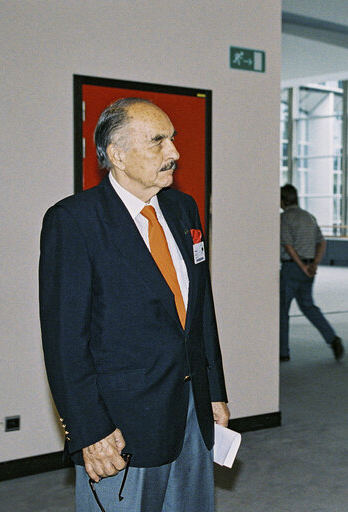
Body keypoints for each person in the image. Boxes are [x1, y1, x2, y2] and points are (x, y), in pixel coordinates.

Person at [39, 98, 228, 511]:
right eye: (158, 142)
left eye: (173, 139)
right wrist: (90, 430)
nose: (174, 152)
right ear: (118, 155)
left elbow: (200, 311)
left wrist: (213, 389)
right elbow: (65, 342)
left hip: (192, 415)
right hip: (120, 429)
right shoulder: (74, 221)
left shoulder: (183, 209)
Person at [280, 184, 344, 361]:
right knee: (309, 306)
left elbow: (288, 246)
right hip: (308, 268)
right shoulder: (309, 217)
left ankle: (283, 351)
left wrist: (301, 266)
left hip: (292, 268)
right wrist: (314, 264)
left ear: (283, 199)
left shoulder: (284, 218)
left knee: (282, 310)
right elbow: (322, 242)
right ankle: (332, 338)